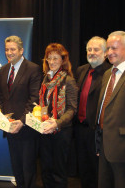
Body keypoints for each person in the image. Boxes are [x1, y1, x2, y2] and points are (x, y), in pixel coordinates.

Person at [0, 35, 42, 188]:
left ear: (21, 50)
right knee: (16, 166)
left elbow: (34, 99)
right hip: (9, 127)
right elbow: (1, 97)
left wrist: (21, 122)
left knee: (28, 168)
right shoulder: (3, 70)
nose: (9, 52)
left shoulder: (33, 69)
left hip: (26, 127)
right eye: (7, 49)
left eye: (13, 49)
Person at [96, 31, 125, 188]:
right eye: (107, 49)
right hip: (105, 148)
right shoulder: (108, 74)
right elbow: (103, 111)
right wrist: (98, 142)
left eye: (114, 48)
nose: (109, 53)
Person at [39, 43, 78, 188]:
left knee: (59, 172)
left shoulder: (68, 80)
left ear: (63, 60)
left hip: (61, 131)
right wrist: (42, 119)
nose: (52, 61)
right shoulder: (45, 80)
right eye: (49, 58)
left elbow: (72, 109)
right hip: (45, 130)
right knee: (45, 170)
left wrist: (56, 123)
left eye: (56, 58)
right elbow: (43, 105)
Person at [74, 36, 111, 188]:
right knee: (83, 170)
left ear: (105, 53)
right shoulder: (81, 70)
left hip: (98, 132)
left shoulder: (110, 73)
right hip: (80, 129)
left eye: (96, 49)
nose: (92, 53)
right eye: (89, 49)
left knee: (99, 172)